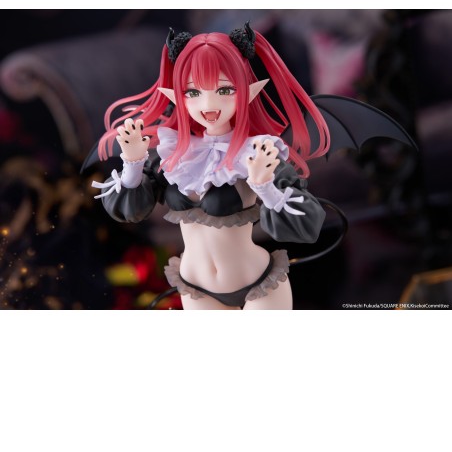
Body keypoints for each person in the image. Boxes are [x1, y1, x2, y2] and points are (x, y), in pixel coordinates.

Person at [92, 23, 330, 310]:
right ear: (176, 96)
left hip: (258, 282)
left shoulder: (257, 151)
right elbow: (129, 212)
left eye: (225, 89)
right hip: (196, 288)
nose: (208, 104)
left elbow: (308, 225)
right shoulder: (173, 153)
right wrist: (132, 163)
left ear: (249, 92)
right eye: (193, 92)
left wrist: (265, 187)